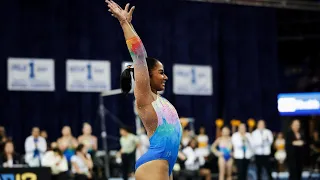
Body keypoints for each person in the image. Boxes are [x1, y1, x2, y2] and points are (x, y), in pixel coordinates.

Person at [106, 1, 183, 180]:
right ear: (147, 75)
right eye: (161, 73)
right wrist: (125, 23)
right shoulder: (145, 98)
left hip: (165, 165)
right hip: (154, 163)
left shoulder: (161, 101)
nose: (166, 77)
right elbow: (139, 55)